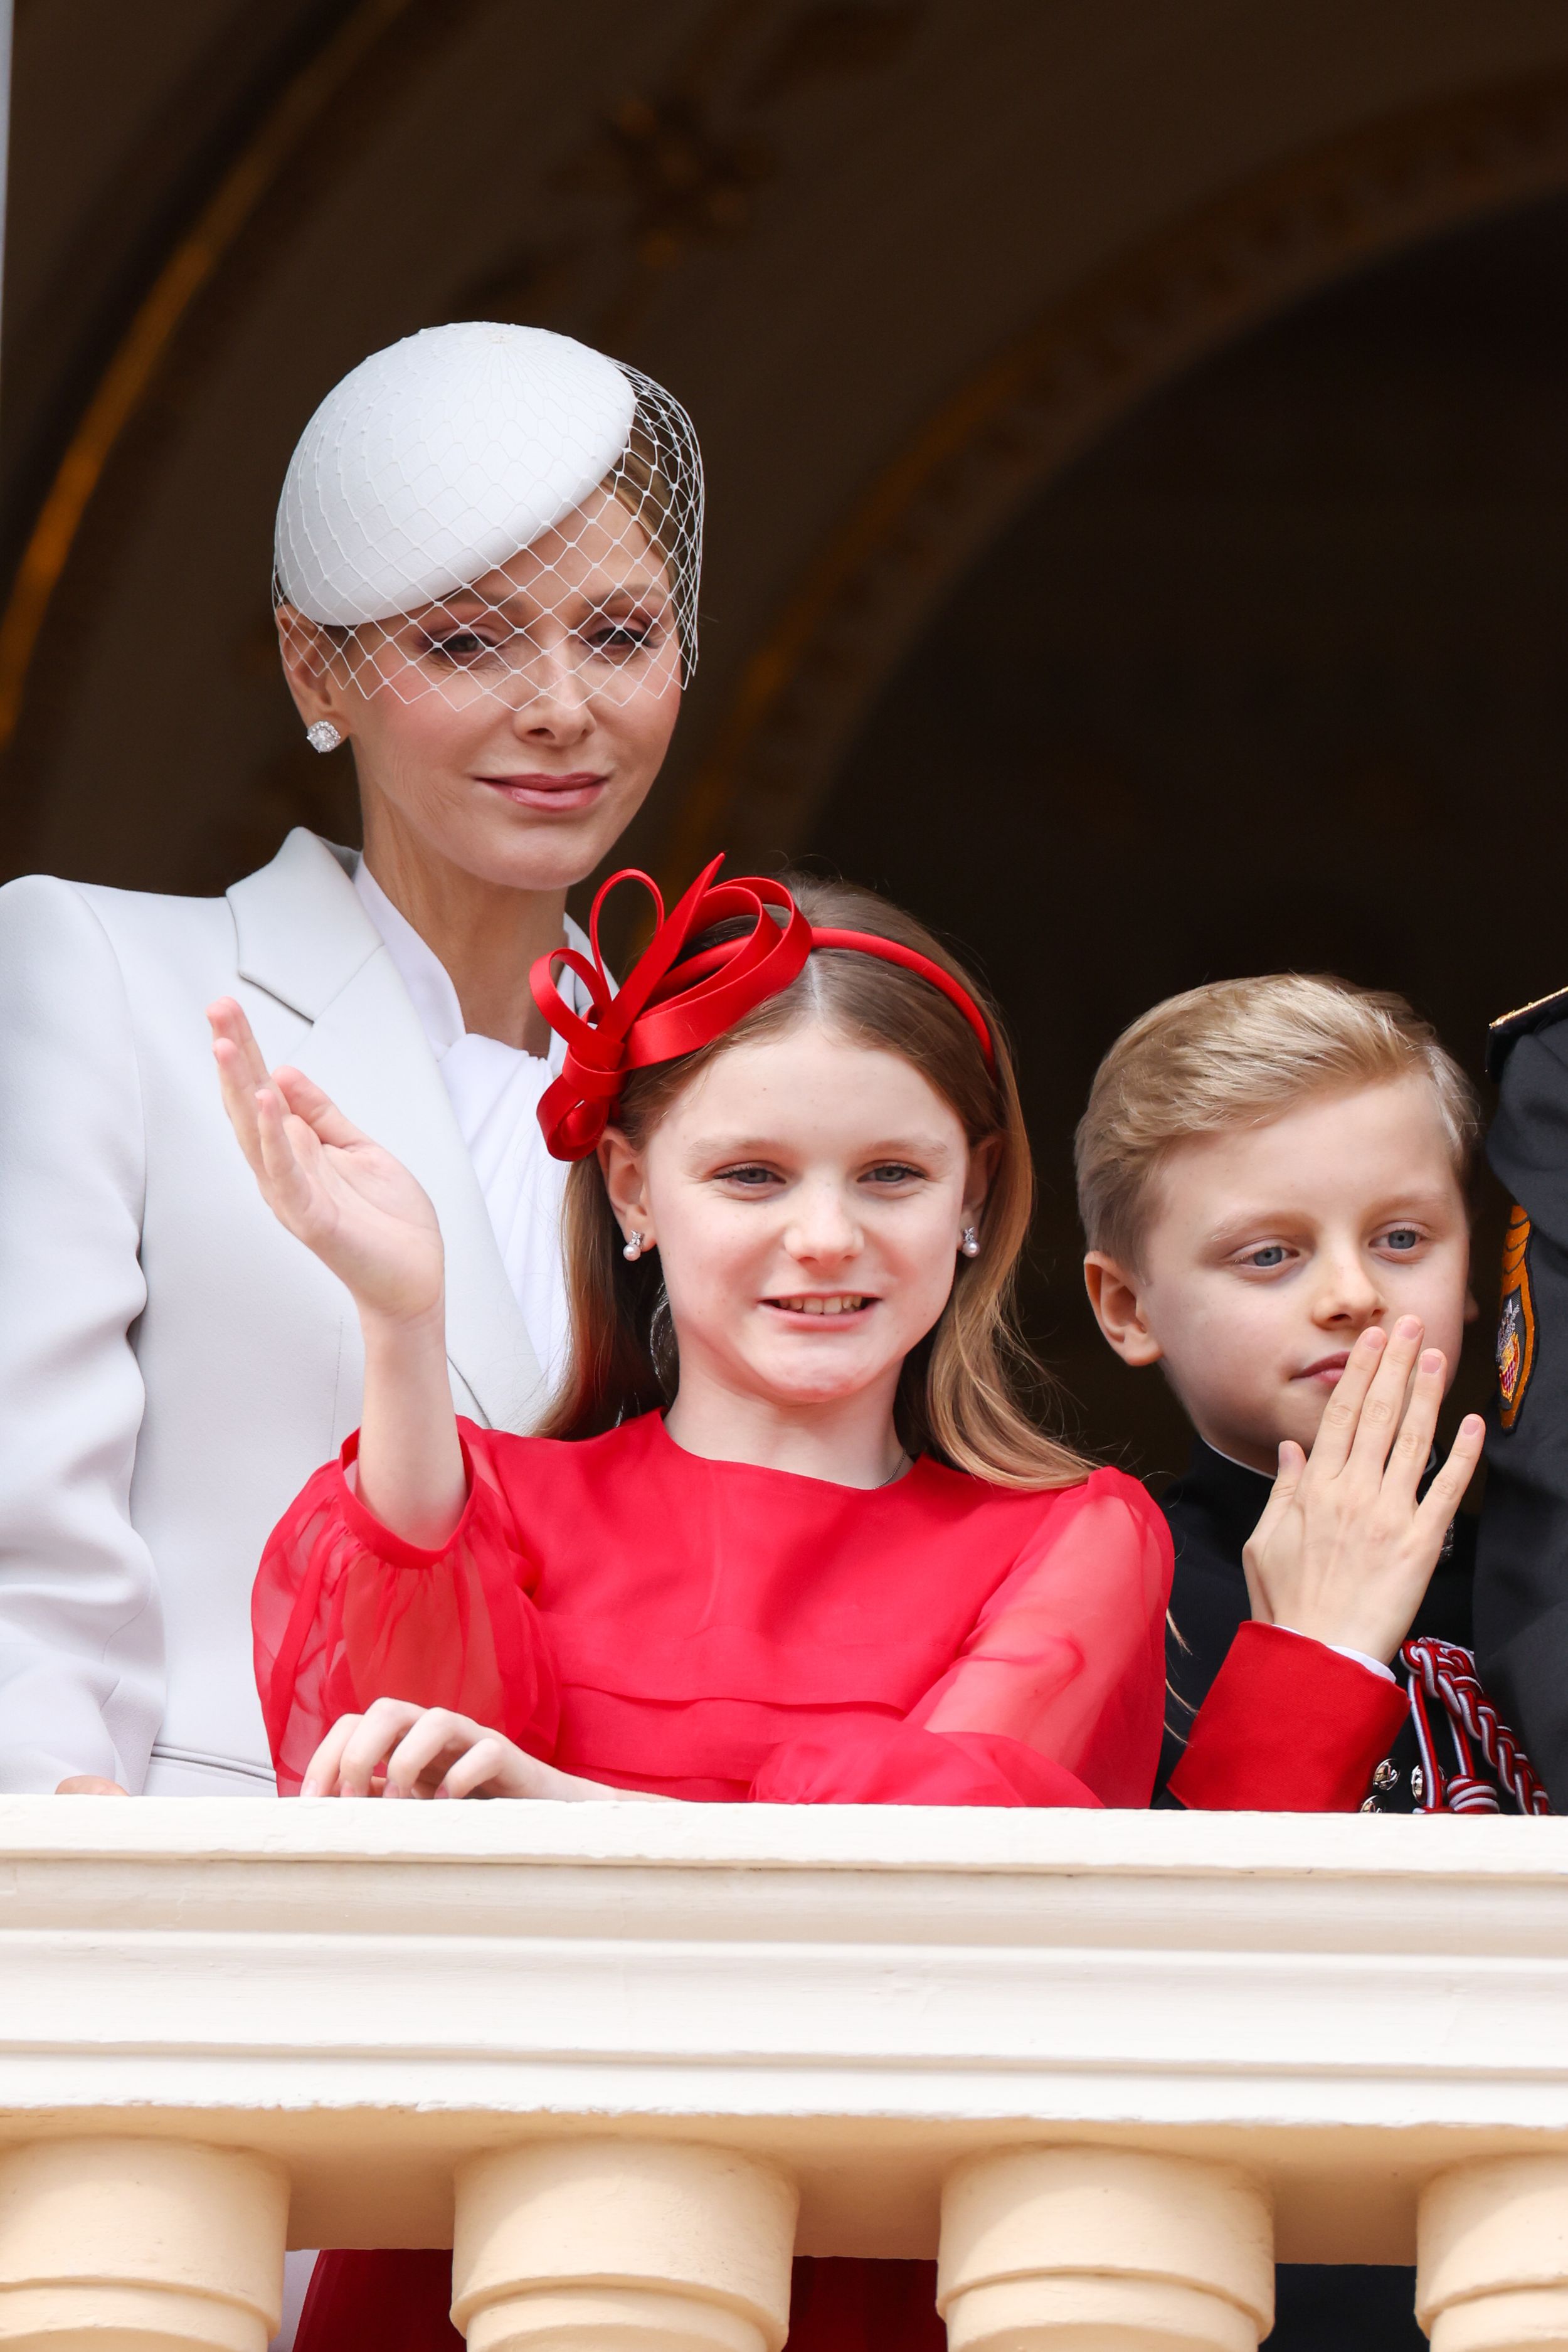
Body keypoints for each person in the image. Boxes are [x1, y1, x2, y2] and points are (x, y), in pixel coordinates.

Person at [213, 859, 1226, 2351]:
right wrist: (400, 1316)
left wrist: (577, 1817)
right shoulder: (497, 1505)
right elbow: (411, 1730)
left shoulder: (1074, 1539)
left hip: (856, 2278)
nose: (825, 1237)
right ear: (632, 1188)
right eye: (750, 1175)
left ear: (974, 1196)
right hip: (479, 2271)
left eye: (889, 1174)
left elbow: (937, 1881)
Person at [0, 320, 702, 1803]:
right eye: (468, 640)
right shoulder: (108, 976)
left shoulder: (712, 1073)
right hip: (211, 1889)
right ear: (314, 661)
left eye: (620, 633)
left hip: (601, 1916)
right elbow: (22, 1530)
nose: (562, 705)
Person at [1077, 971, 1486, 2352]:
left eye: (1401, 1236)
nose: (1351, 1295)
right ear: (1125, 1307)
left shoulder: (1543, 1553)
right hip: (1285, 2287)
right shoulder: (1100, 1581)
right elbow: (1153, 1999)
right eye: (1269, 1256)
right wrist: (1307, 1655)